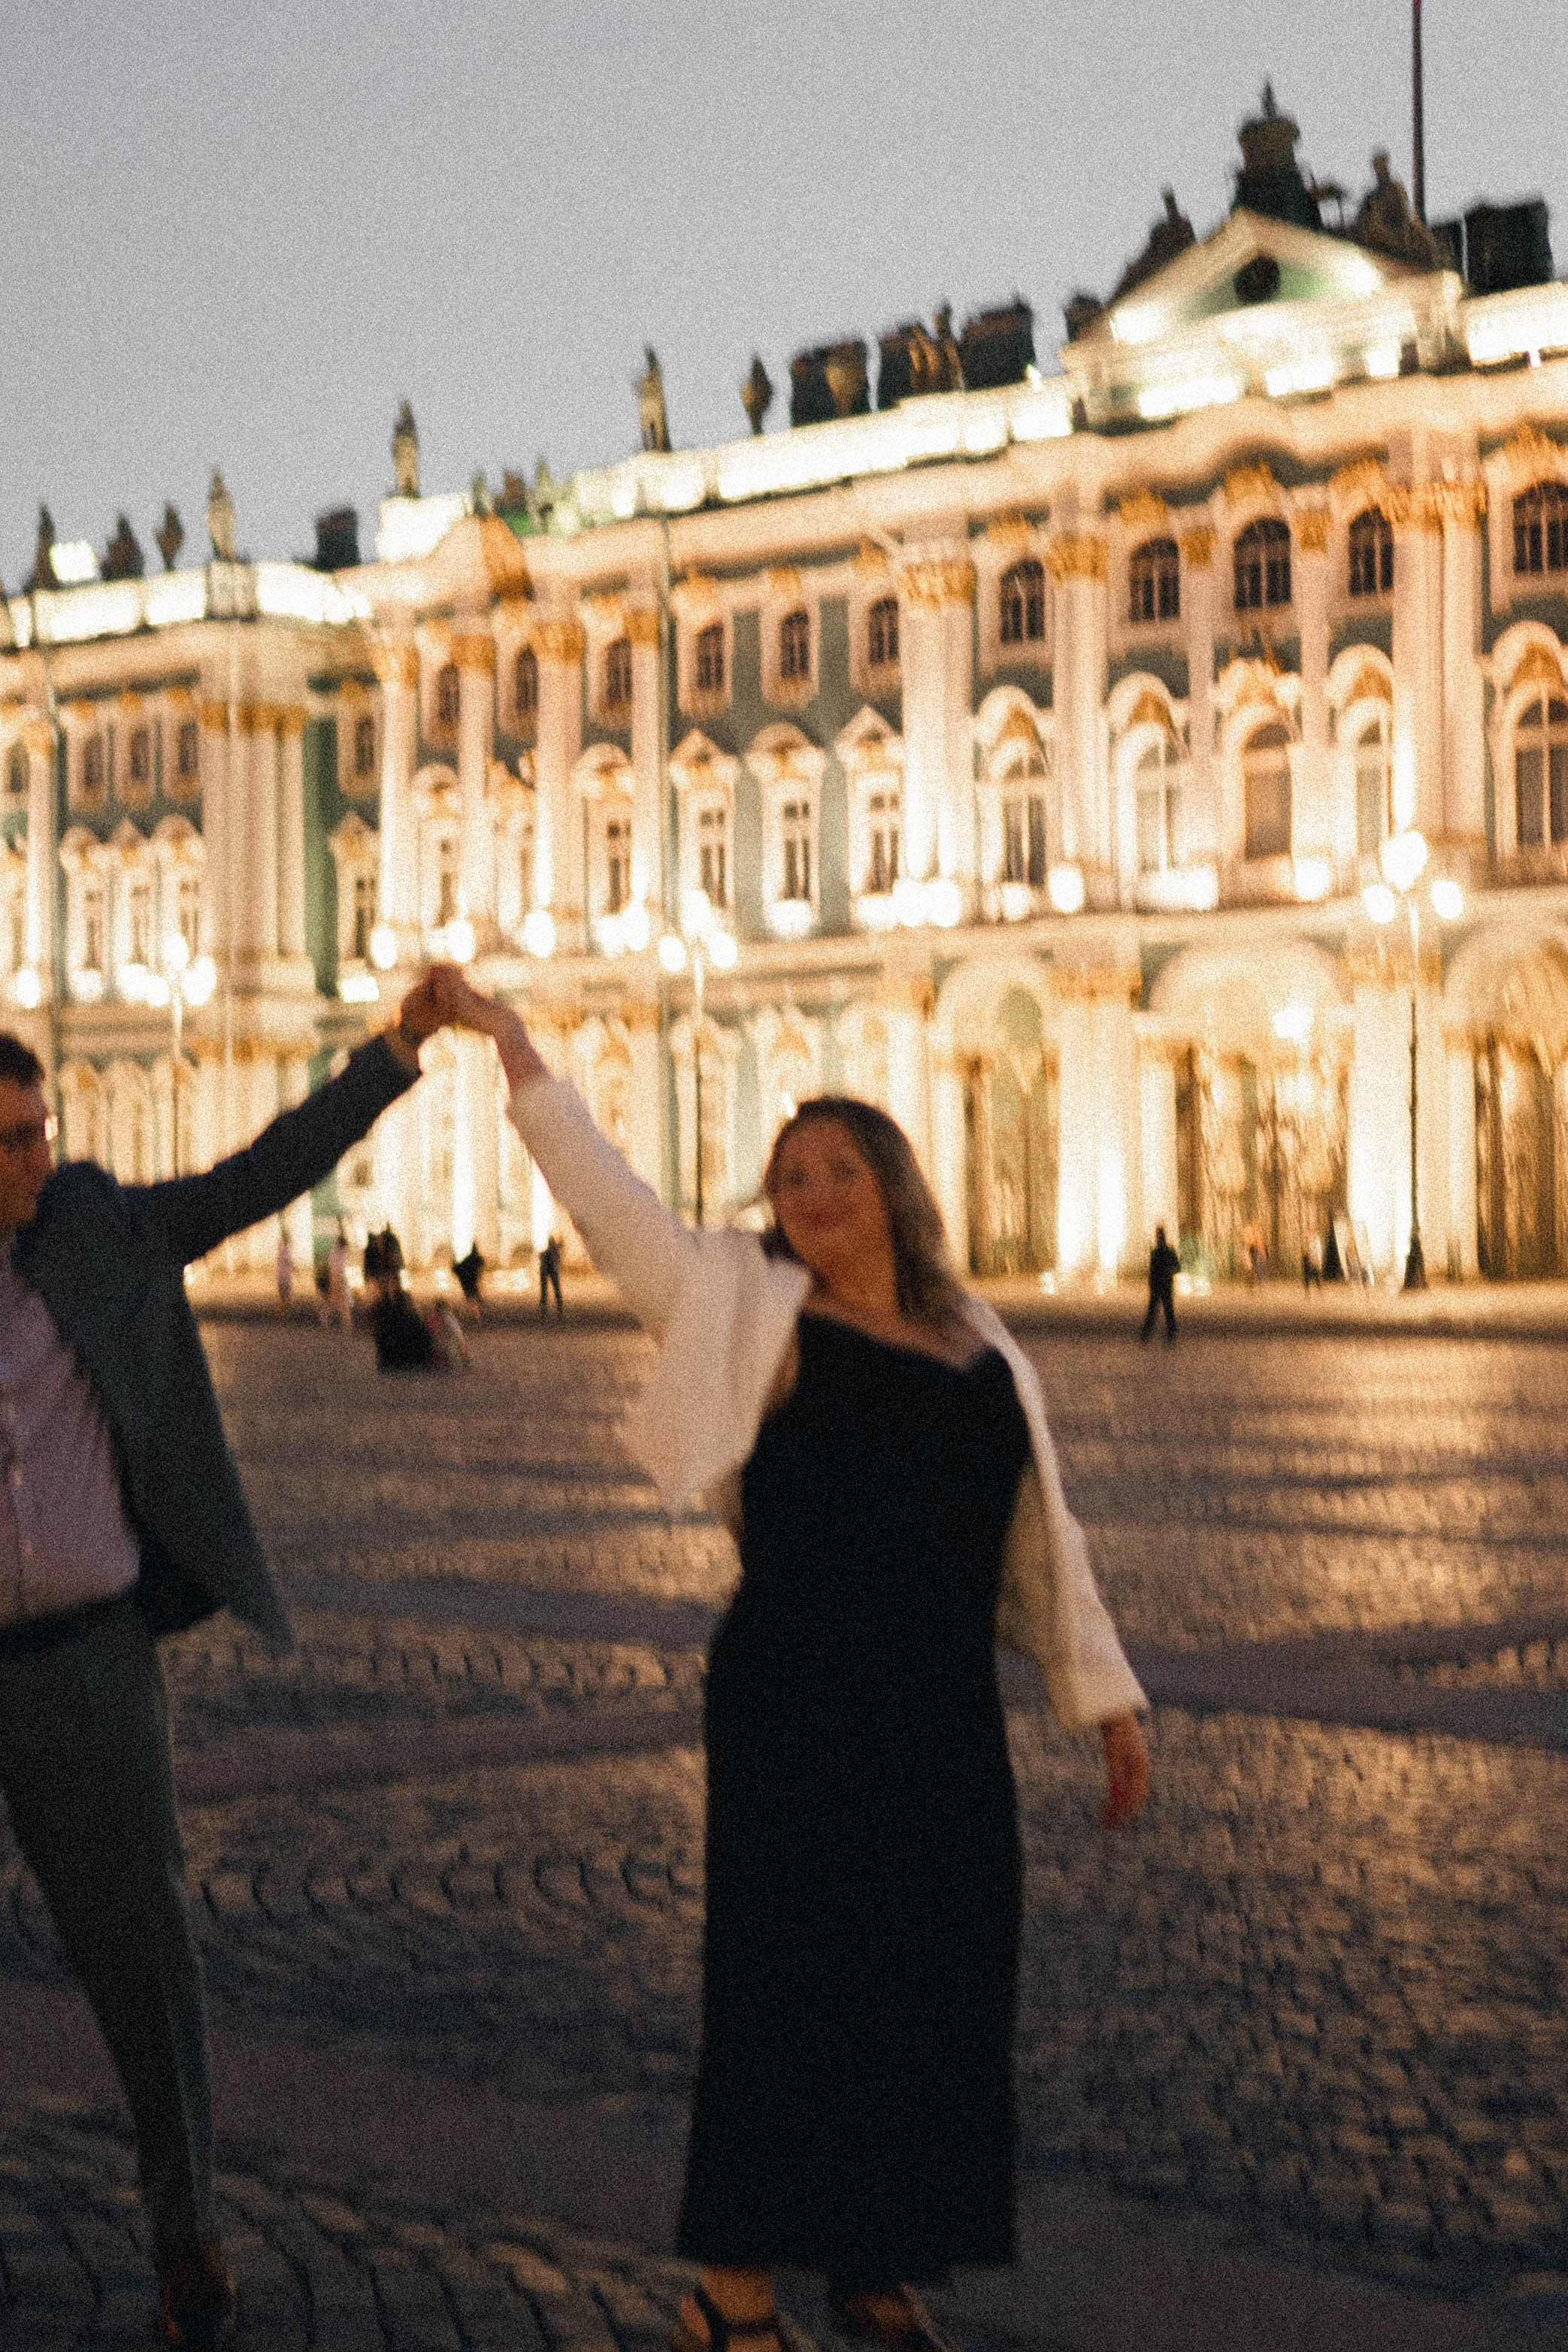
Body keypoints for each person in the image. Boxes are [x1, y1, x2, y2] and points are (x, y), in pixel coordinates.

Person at [432, 968, 1149, 2352]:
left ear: (891, 1183)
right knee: (788, 1988)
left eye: (834, 1166)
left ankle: (881, 2263)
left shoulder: (976, 1335)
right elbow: (613, 1206)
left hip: (943, 1711)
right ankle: (735, 2293)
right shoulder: (744, 1302)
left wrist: (1105, 1703)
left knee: (937, 1988)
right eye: (787, 1175)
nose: (809, 1192)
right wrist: (520, 1053)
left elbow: (1039, 1533)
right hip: (800, 1699)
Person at [0, 985, 442, 2349]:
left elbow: (260, 1173)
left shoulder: (101, 1231)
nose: (24, 1158)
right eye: (0, 1140)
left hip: (83, 1657)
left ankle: (184, 2218)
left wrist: (387, 1059)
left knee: (145, 1953)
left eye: (32, 1132)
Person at [1141, 1224, 1180, 1343]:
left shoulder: (1156, 1252)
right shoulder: (1166, 1251)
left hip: (1159, 1285)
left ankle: (1146, 1335)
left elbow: (1152, 1270)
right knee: (1167, 1310)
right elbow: (1177, 1267)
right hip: (1165, 1285)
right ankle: (1170, 1333)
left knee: (1154, 1310)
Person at [453, 1242, 485, 1321]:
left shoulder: (468, 1259)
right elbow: (480, 1273)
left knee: (470, 1300)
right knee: (472, 1300)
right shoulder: (478, 1259)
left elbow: (459, 1268)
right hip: (472, 1283)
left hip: (467, 1283)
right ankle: (475, 1316)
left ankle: (472, 1315)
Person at [537, 1230, 564, 1320]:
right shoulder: (554, 1252)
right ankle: (558, 1308)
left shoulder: (547, 1253)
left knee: (546, 1291)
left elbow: (541, 1258)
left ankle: (544, 1309)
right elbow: (558, 1259)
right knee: (555, 1290)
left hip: (546, 1272)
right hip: (551, 1271)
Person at [273, 1227, 295, 1318]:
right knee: (287, 1297)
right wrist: (295, 1268)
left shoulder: (281, 1247)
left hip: (280, 1275)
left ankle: (282, 1313)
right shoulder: (286, 1249)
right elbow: (288, 1262)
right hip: (285, 1276)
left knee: (283, 1296)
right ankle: (281, 1313)